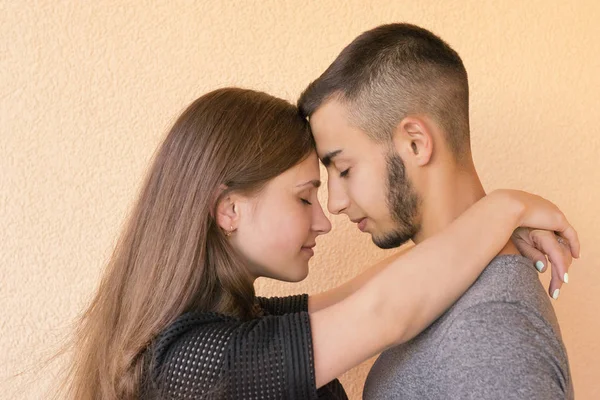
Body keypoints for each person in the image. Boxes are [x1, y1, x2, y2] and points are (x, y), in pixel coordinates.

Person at [63, 87, 578, 400]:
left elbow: (363, 293)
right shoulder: (193, 363)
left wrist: (489, 234)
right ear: (229, 209)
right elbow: (382, 312)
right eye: (305, 197)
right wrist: (505, 206)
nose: (325, 219)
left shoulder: (241, 321)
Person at [299, 23, 576, 399]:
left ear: (415, 144)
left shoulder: (490, 330)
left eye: (345, 170)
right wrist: (503, 213)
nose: (335, 203)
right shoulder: (435, 293)